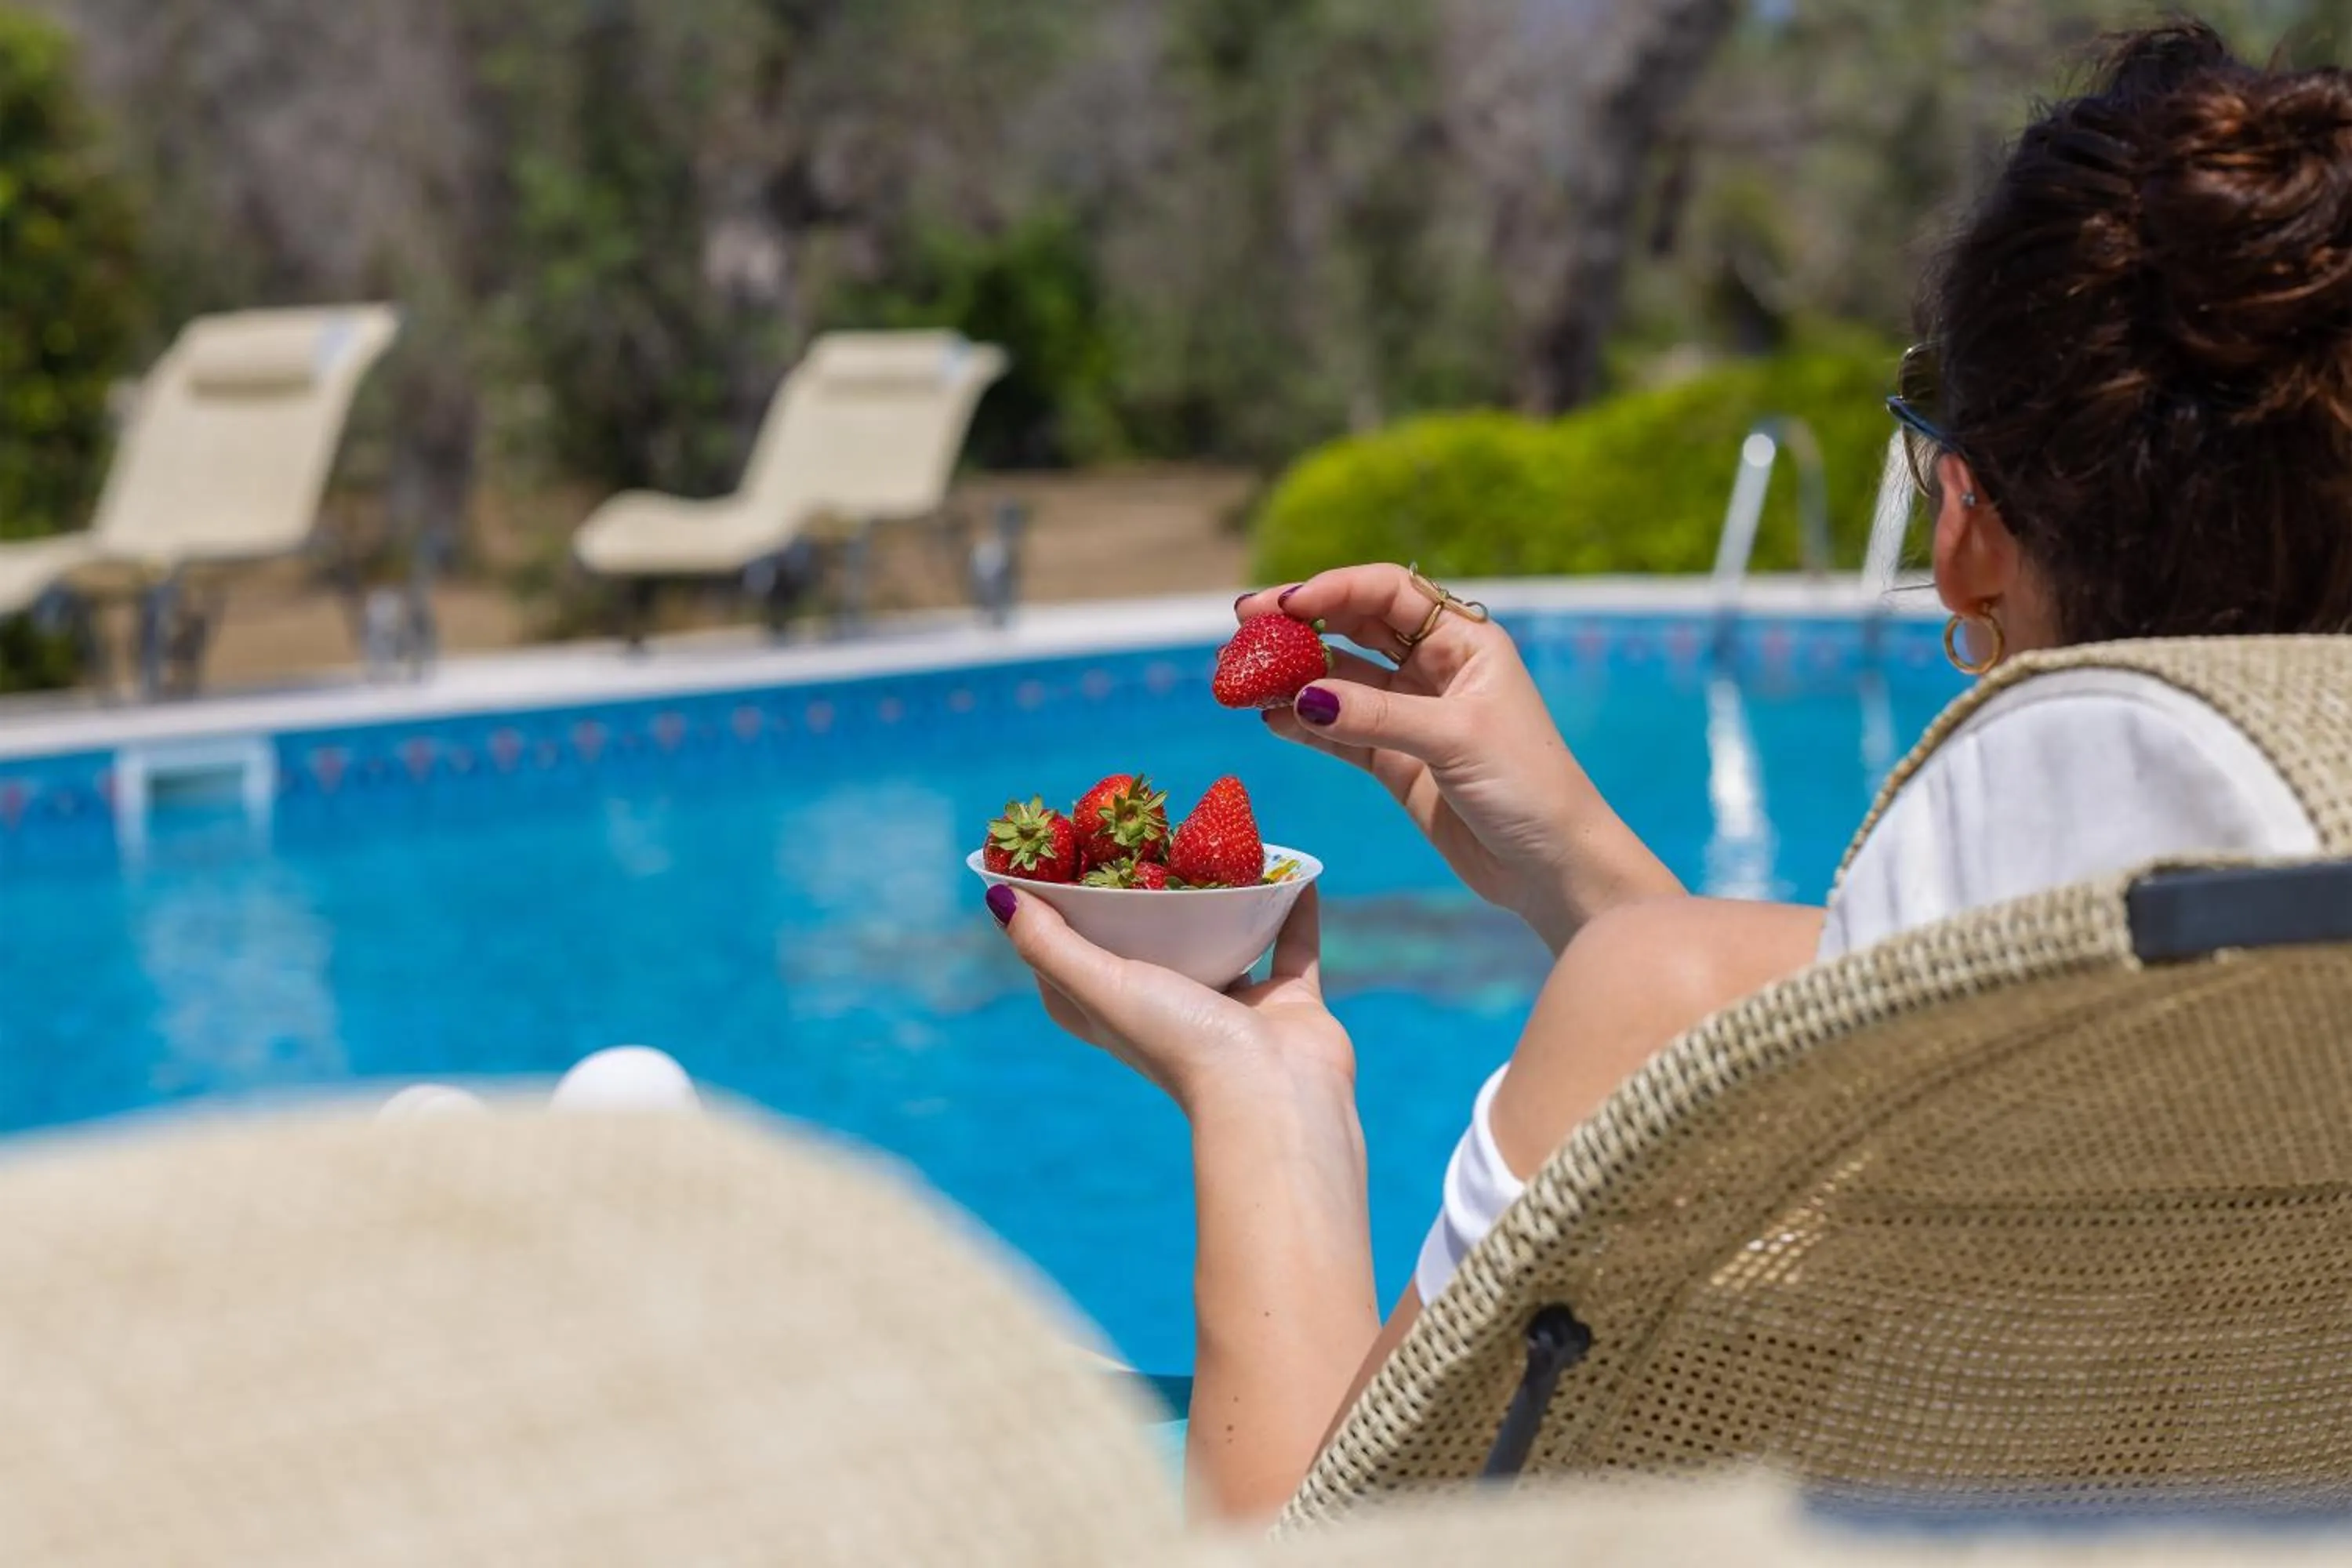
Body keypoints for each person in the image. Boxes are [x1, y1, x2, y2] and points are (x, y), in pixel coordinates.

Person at [983, 18, 2352, 1520]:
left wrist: (1269, 1090)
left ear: (1965, 524)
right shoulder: (2263, 1023)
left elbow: (1313, 1559)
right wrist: (1592, 880)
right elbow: (1830, 1042)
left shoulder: (1728, 1002)